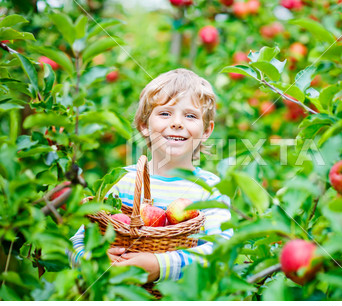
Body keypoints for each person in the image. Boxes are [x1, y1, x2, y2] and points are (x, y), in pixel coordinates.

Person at [68, 68, 233, 282]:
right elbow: (77, 243)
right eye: (165, 113)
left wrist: (159, 266)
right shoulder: (123, 182)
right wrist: (96, 259)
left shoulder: (210, 189)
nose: (177, 123)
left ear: (207, 131)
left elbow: (221, 252)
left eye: (190, 116)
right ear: (144, 125)